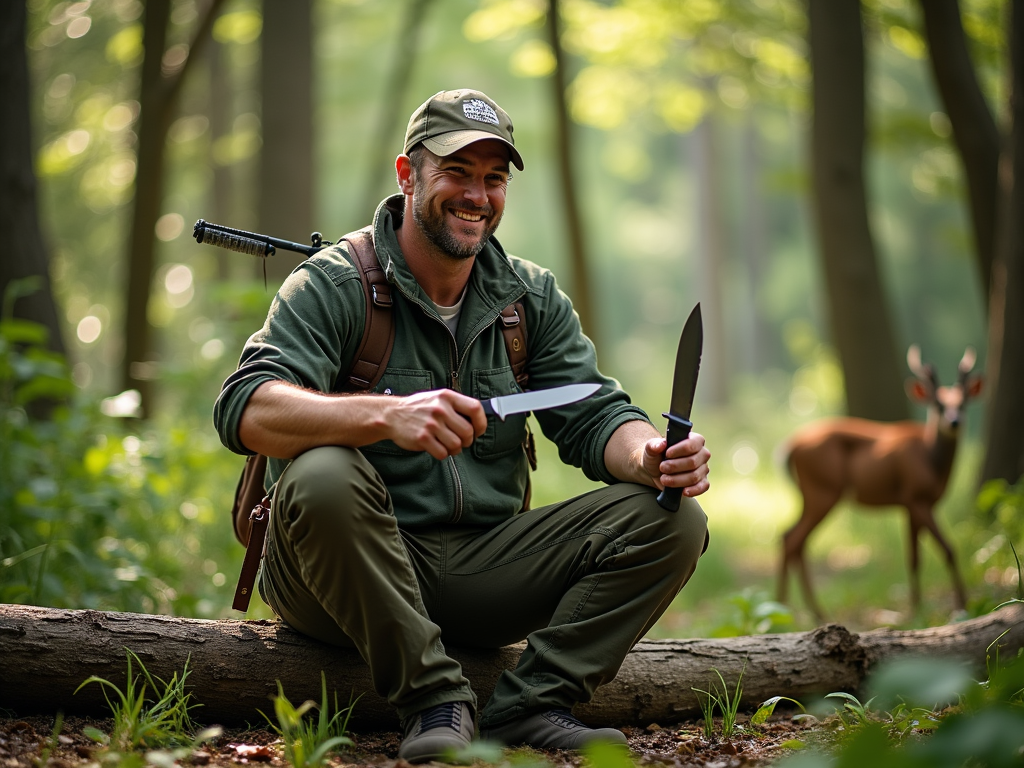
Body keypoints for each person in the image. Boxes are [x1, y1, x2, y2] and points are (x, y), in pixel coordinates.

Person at [214, 89, 711, 763]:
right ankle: (432, 701)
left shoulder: (527, 298)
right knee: (324, 473)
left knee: (672, 518)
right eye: (457, 171)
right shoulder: (335, 284)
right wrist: (385, 415)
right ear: (407, 174)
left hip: (483, 569)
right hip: (338, 571)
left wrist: (647, 454)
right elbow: (244, 406)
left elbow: (595, 413)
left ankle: (531, 703)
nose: (477, 194)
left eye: (494, 178)